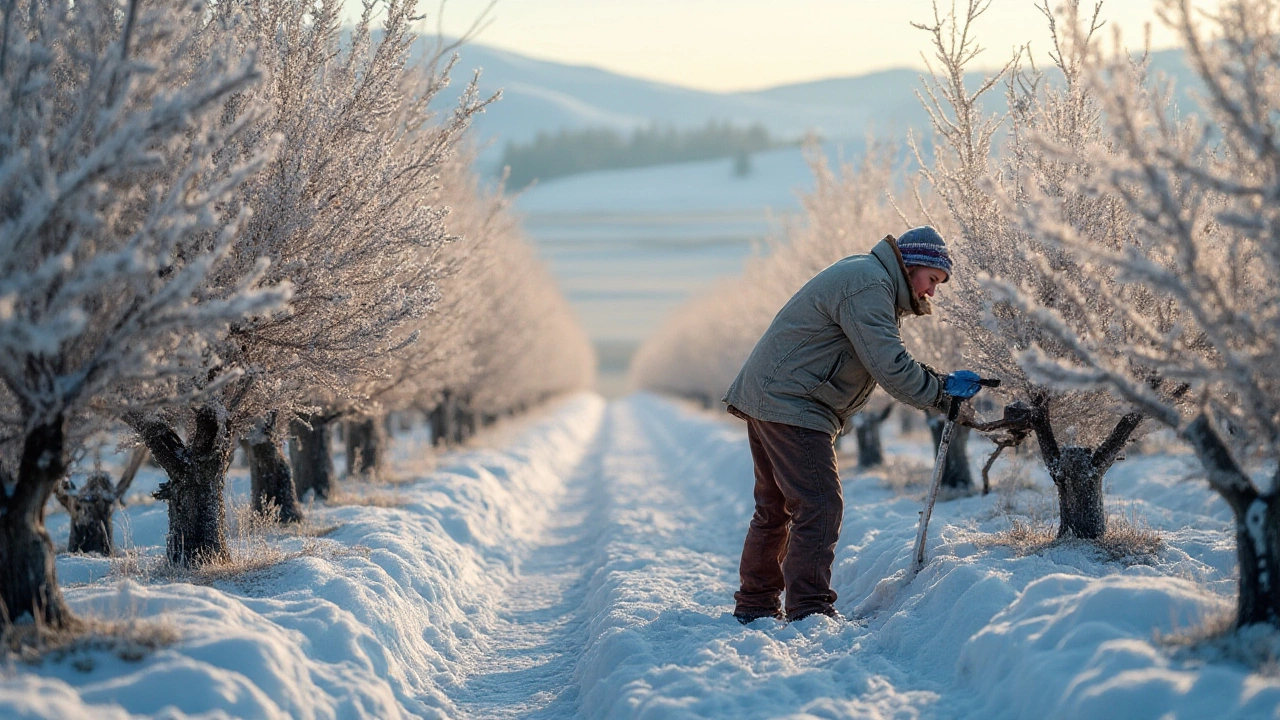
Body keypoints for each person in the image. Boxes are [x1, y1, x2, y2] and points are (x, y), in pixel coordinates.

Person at [723, 226, 980, 623]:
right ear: (912, 266)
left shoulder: (869, 278)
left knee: (774, 508)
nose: (932, 293)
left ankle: (756, 605)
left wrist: (938, 381)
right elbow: (889, 365)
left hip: (772, 395)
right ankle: (809, 608)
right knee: (820, 504)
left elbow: (884, 357)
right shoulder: (869, 285)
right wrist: (943, 393)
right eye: (932, 281)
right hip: (793, 403)